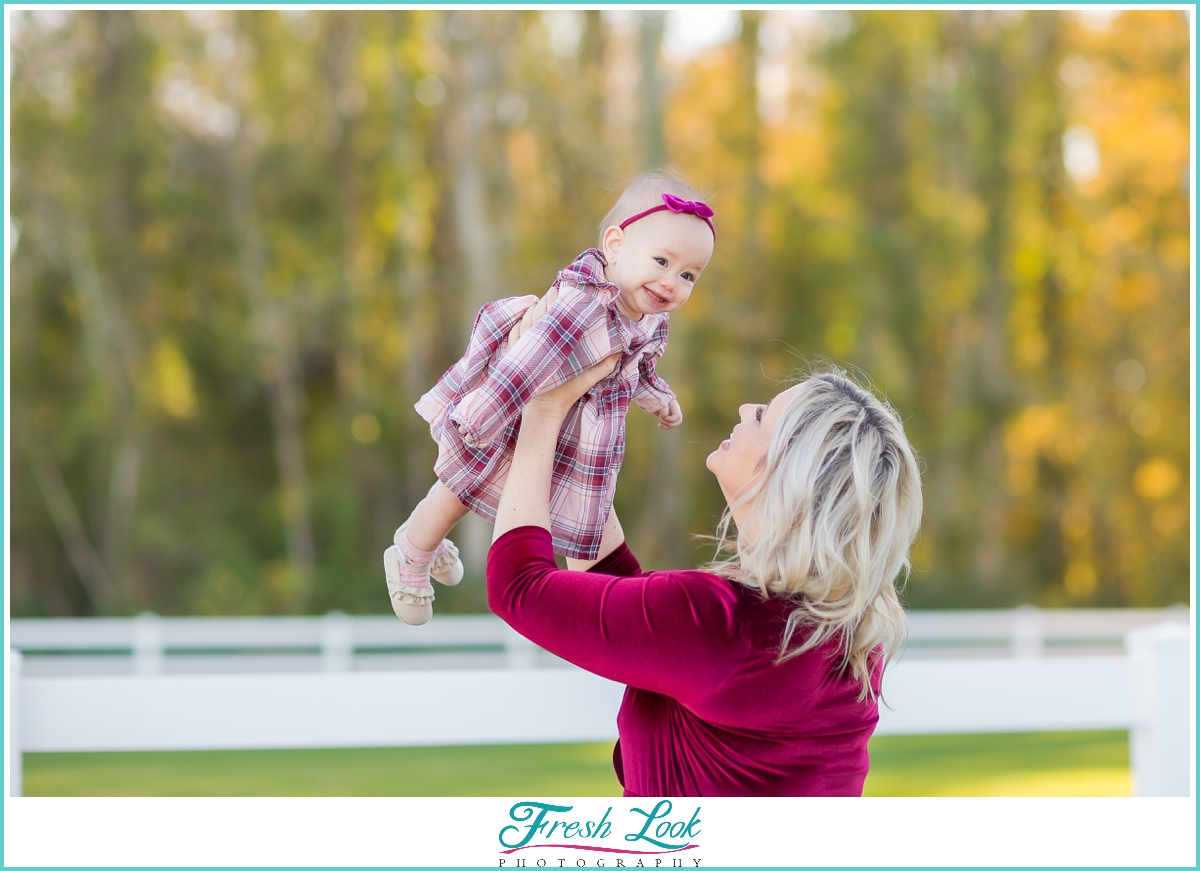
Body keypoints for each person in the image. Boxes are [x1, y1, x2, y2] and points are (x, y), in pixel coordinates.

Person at [486, 348, 923, 796]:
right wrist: (588, 426)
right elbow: (623, 598)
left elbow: (516, 586)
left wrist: (542, 409)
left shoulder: (725, 624)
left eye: (763, 418)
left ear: (786, 473)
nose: (745, 409)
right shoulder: (844, 629)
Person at [384, 172, 716, 625]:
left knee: (568, 511)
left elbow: (639, 365)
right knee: (463, 486)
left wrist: (657, 395)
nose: (670, 282)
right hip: (518, 411)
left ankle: (601, 614)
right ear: (615, 245)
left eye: (688, 275)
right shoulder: (582, 303)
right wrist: (481, 417)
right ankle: (412, 551)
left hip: (578, 434)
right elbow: (526, 360)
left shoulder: (649, 314)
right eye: (661, 260)